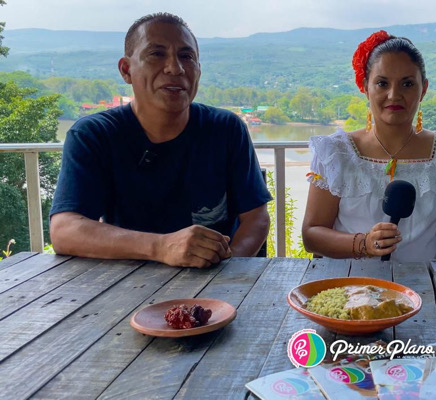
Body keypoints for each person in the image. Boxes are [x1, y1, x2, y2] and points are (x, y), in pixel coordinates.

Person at [49, 13, 272, 268]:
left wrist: (226, 270)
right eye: (157, 54)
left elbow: (256, 218)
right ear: (126, 70)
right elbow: (65, 230)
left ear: (198, 69)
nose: (175, 68)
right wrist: (162, 247)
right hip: (126, 280)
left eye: (186, 57)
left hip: (213, 284)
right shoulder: (95, 135)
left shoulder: (225, 129)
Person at [302, 30, 436, 262]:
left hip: (422, 289)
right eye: (382, 83)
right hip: (348, 289)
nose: (394, 95)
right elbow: (312, 234)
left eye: (407, 84)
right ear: (365, 87)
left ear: (423, 89)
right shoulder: (336, 152)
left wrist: (425, 285)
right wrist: (363, 243)